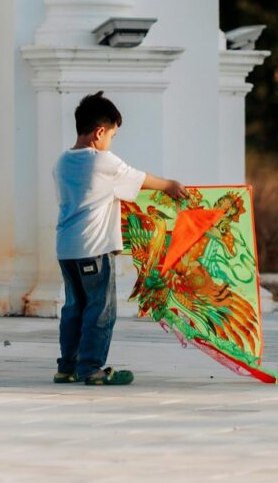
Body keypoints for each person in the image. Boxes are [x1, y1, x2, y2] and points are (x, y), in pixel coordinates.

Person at [52, 91, 188, 385]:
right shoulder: (101, 162)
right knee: (101, 310)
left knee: (74, 307)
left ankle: (67, 367)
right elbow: (137, 177)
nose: (111, 142)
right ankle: (92, 369)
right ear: (99, 132)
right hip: (94, 249)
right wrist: (169, 185)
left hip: (66, 249)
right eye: (112, 136)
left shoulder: (62, 162)